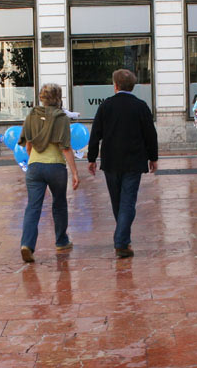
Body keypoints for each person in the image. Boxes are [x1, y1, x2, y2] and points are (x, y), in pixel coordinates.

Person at [86, 69, 159, 258]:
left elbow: (95, 133)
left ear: (115, 85)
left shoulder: (106, 106)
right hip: (134, 160)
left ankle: (122, 240)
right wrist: (153, 157)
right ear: (132, 86)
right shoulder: (140, 106)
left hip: (111, 160)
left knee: (117, 201)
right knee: (128, 201)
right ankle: (122, 241)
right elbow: (150, 134)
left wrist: (92, 158)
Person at [18, 83, 80, 263]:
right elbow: (65, 148)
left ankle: (27, 244)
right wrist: (75, 172)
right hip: (56, 168)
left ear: (41, 98)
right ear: (58, 98)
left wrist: (34, 160)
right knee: (59, 204)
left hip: (34, 167)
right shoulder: (61, 118)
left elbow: (28, 145)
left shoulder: (31, 116)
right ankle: (61, 241)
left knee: (33, 206)